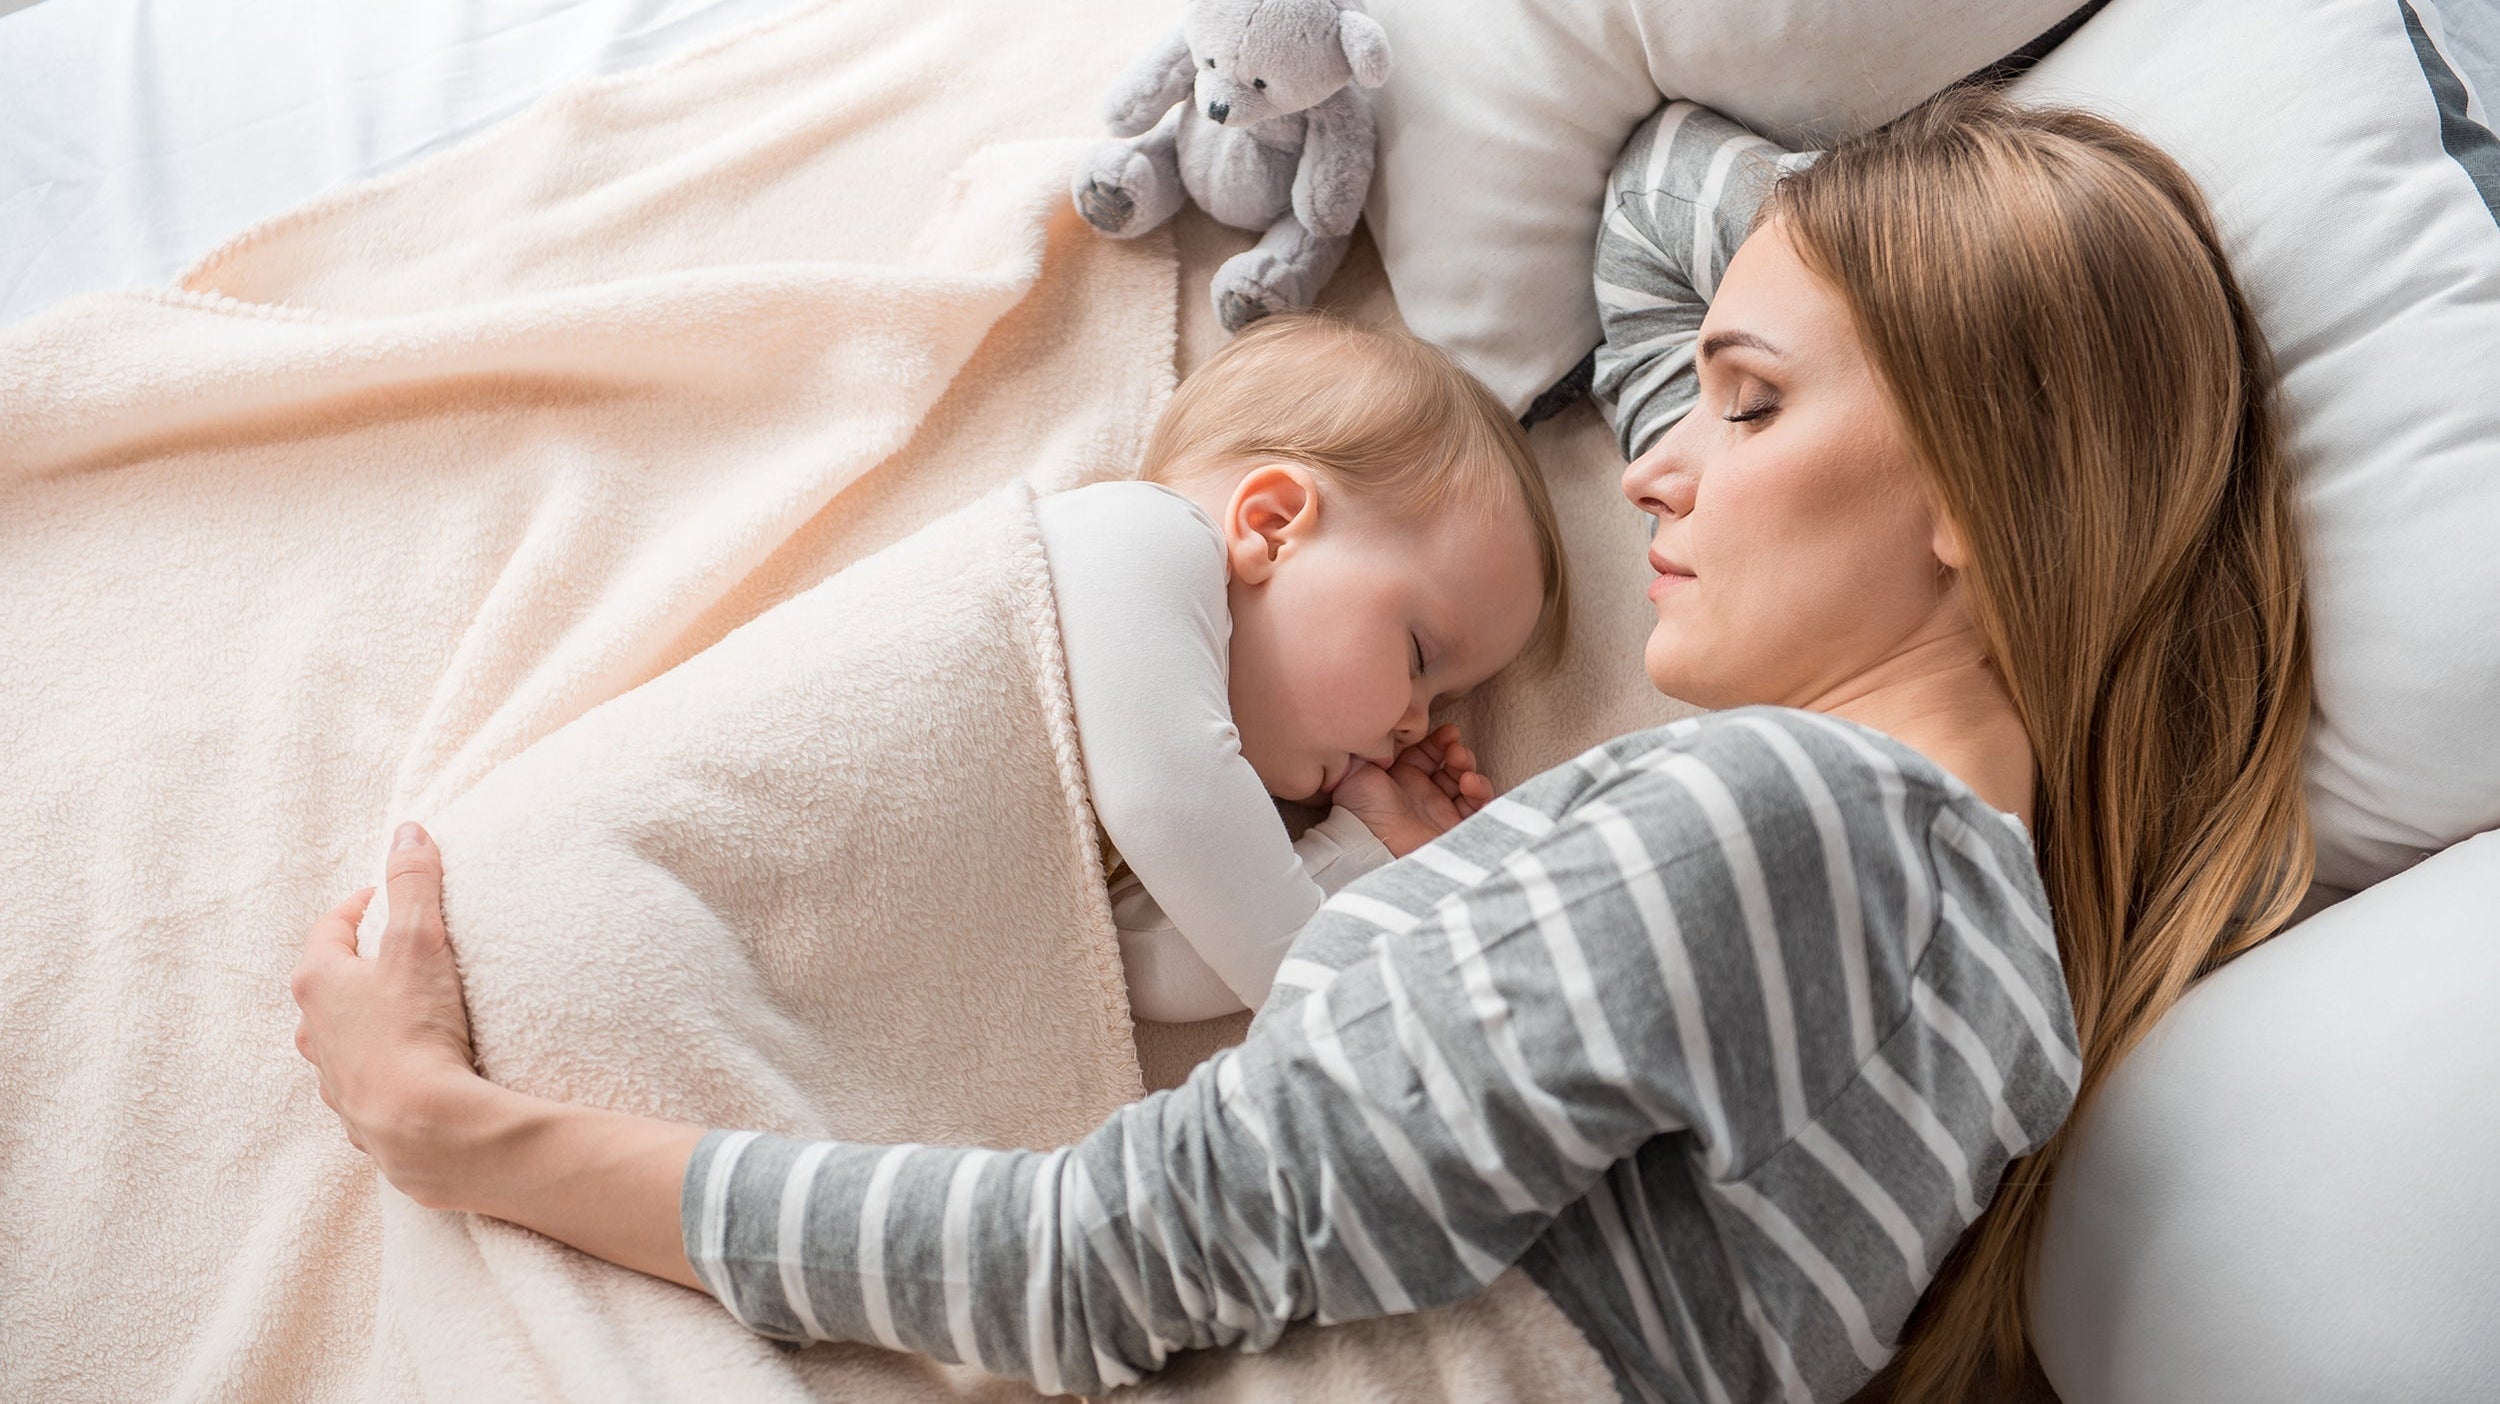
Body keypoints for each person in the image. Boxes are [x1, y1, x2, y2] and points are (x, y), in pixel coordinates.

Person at [290, 86, 2315, 1402]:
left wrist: (468, 1134)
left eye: (1749, 409)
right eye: (1685, 407)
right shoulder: (1988, 964)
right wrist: (1872, 277)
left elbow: (1107, 1261)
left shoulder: (1774, 830)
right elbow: (1649, 220)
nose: (1651, 479)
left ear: (1973, 478)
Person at [1034, 313, 1567, 1019]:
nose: (1416, 725)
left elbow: (1129, 966)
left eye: (1442, 703)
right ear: (1273, 526)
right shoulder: (1134, 538)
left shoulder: (1165, 821)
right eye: (1418, 657)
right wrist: (1354, 1005)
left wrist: (1366, 850)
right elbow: (1171, 811)